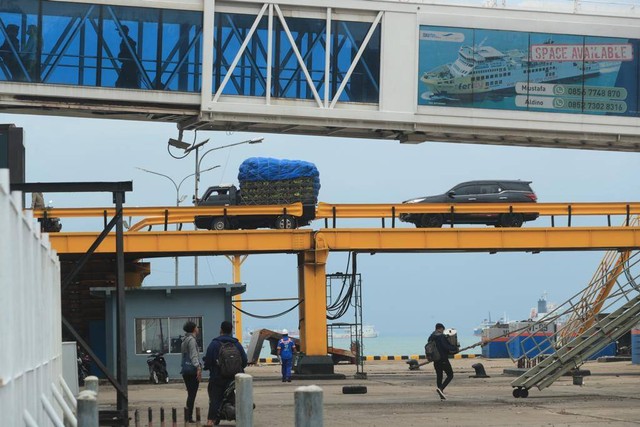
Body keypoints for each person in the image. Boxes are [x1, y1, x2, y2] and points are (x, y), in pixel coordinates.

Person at [203, 320, 247, 425]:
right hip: (234, 379)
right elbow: (244, 360)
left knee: (214, 399)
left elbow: (208, 360)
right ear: (231, 330)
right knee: (238, 398)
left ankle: (210, 421)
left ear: (221, 330)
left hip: (217, 377)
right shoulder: (237, 344)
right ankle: (242, 418)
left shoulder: (214, 344)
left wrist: (207, 367)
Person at [427, 323, 458, 400]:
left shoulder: (431, 337)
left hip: (435, 359)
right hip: (443, 359)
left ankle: (441, 394)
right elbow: (445, 347)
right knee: (450, 375)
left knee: (439, 376)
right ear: (441, 329)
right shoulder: (441, 336)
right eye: (443, 330)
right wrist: (454, 347)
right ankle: (441, 389)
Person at [181, 321, 202, 423]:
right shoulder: (192, 340)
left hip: (185, 370)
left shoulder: (184, 340)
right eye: (197, 327)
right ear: (194, 329)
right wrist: (198, 368)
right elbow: (194, 356)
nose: (198, 329)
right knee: (192, 394)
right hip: (192, 370)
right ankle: (189, 417)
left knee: (190, 394)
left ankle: (188, 415)